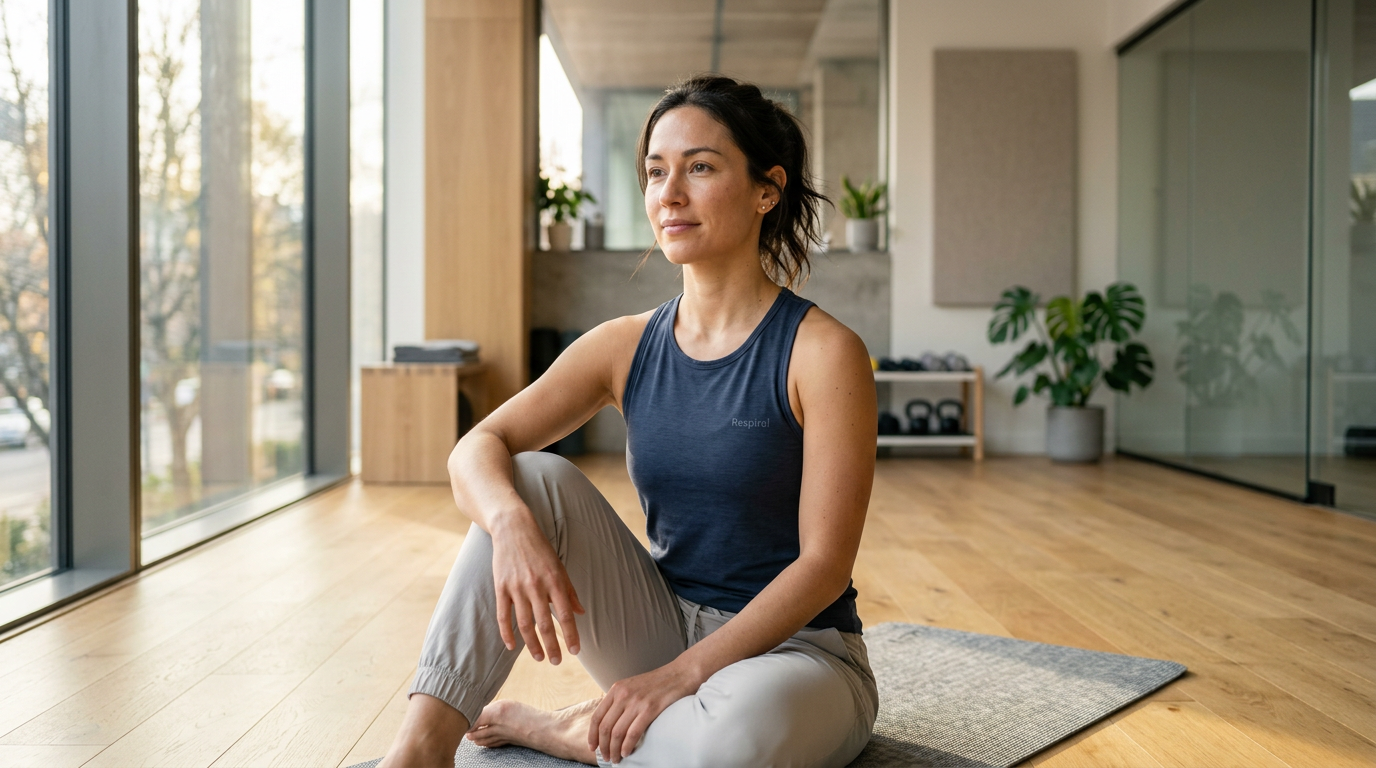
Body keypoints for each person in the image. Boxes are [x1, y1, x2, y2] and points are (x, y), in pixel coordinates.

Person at [381, 74, 878, 768]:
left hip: (796, 655)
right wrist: (511, 526)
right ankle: (419, 751)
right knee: (526, 477)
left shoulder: (825, 354)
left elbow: (824, 567)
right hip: (661, 626)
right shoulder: (625, 345)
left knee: (727, 749)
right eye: (655, 172)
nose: (669, 193)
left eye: (699, 167)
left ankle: (567, 734)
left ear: (768, 189)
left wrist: (675, 680)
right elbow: (476, 446)